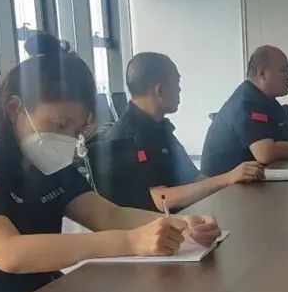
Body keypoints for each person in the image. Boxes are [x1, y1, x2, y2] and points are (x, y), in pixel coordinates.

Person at [0, 51, 221, 292]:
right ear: (15, 108)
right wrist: (131, 241)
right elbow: (8, 251)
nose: (65, 138)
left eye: (75, 130)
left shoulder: (45, 158)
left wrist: (184, 224)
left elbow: (108, 216)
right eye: (59, 125)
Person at [107, 52, 264, 211]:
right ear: (160, 90)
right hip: (155, 222)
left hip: (185, 215)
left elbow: (194, 178)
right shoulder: (125, 137)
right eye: (176, 83)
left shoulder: (159, 127)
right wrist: (227, 179)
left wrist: (233, 184)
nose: (180, 89)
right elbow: (160, 198)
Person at [201, 45, 288, 176]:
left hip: (252, 179)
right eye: (284, 70)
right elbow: (265, 153)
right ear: (262, 73)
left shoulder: (269, 101)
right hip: (224, 186)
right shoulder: (247, 101)